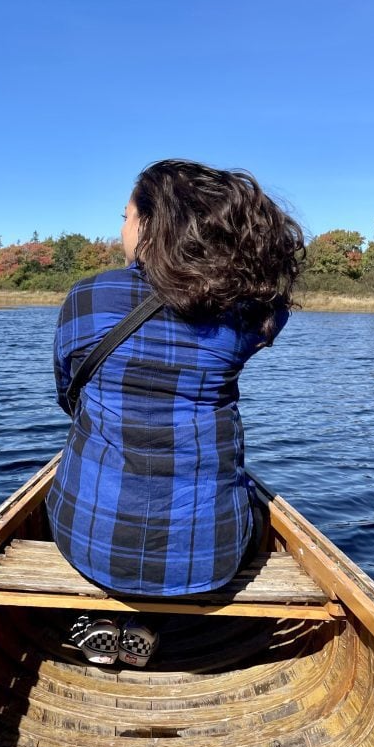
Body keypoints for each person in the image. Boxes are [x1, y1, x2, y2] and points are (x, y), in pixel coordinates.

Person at [46, 159, 303, 665]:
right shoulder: (249, 309)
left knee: (83, 489)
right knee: (242, 505)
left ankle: (100, 620)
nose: (120, 228)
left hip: (90, 542)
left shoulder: (88, 297)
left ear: (148, 228)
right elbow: (271, 310)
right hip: (213, 555)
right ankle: (148, 621)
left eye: (125, 216)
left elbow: (66, 396)